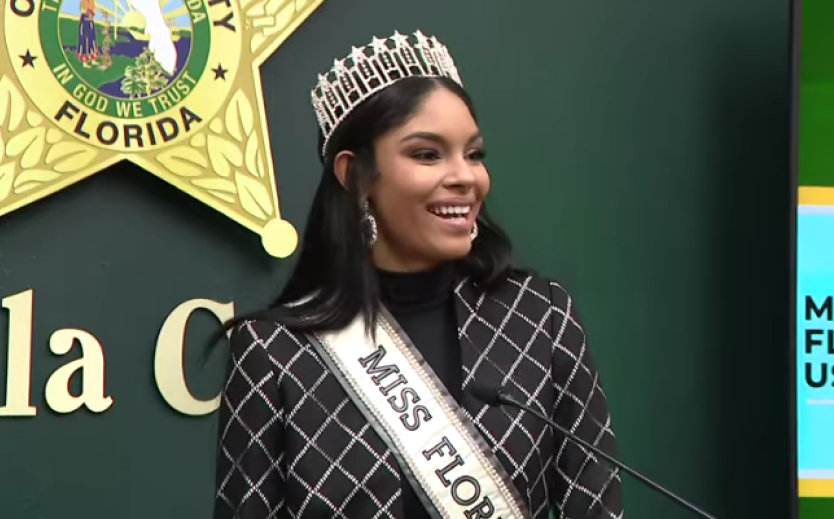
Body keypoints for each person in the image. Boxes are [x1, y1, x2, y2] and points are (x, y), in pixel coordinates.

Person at [212, 29, 624, 519]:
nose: (465, 177)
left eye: (473, 154)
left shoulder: (540, 319)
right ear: (355, 175)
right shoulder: (273, 351)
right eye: (427, 154)